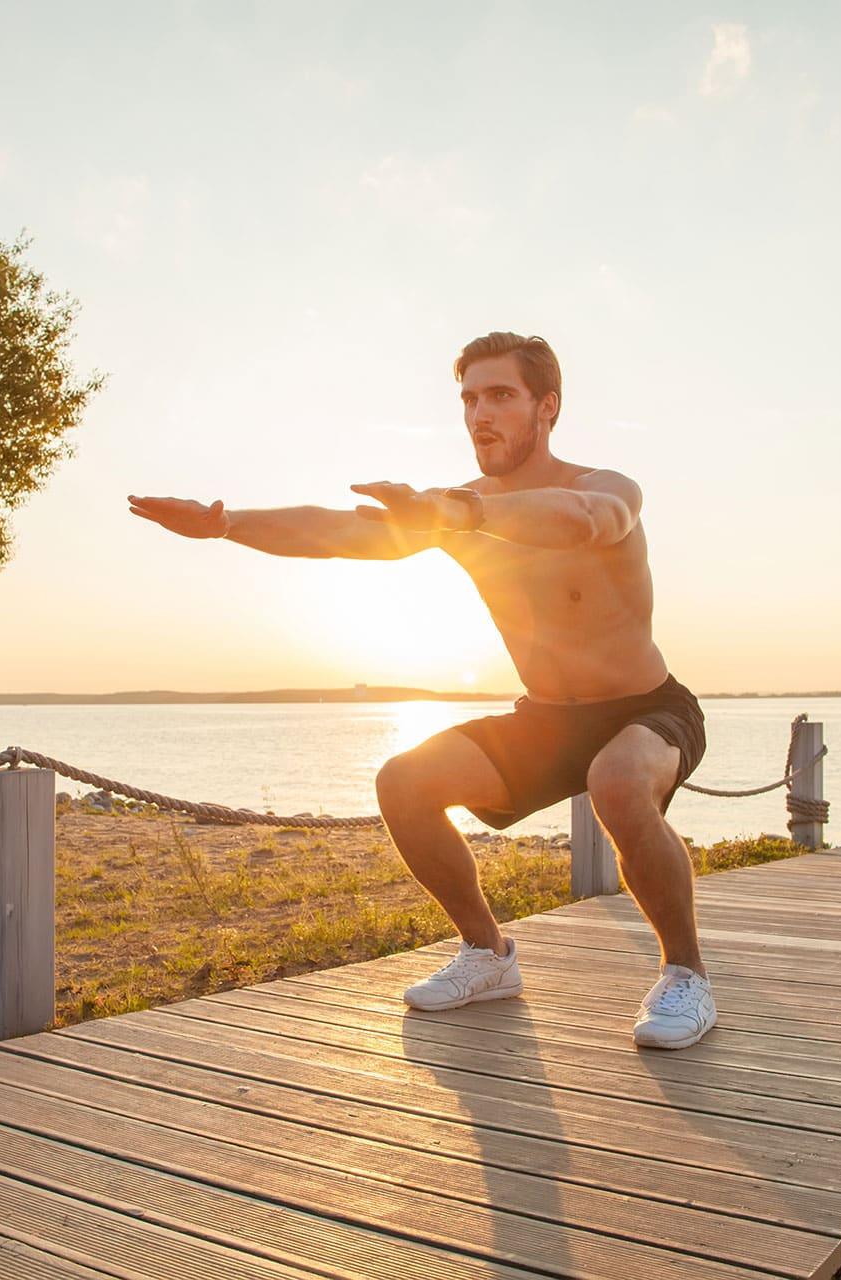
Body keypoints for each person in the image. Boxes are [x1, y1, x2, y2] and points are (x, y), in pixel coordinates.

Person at [127, 331, 714, 1048]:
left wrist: (461, 513)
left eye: (501, 395)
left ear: (547, 407)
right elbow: (340, 532)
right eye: (469, 398)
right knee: (404, 782)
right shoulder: (455, 506)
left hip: (647, 709)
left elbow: (586, 523)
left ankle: (686, 975)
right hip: (549, 719)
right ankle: (487, 956)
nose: (479, 414)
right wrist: (224, 525)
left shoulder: (603, 486)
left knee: (618, 782)